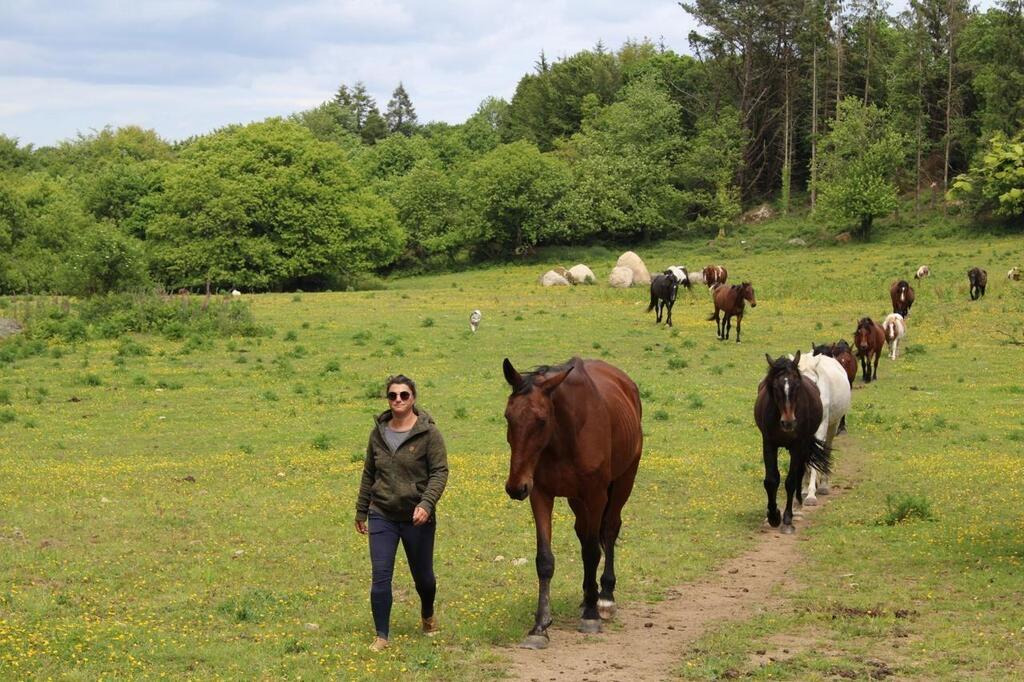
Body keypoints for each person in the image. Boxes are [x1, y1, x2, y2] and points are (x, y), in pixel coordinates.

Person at [355, 374, 449, 652]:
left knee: (424, 578)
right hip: (381, 512)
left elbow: (440, 472)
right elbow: (369, 473)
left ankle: (428, 613)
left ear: (413, 399)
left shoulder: (429, 434)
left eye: (404, 395)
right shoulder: (378, 433)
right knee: (380, 575)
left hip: (416, 517)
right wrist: (362, 510)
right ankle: (382, 635)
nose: (398, 400)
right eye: (393, 395)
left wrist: (426, 503)